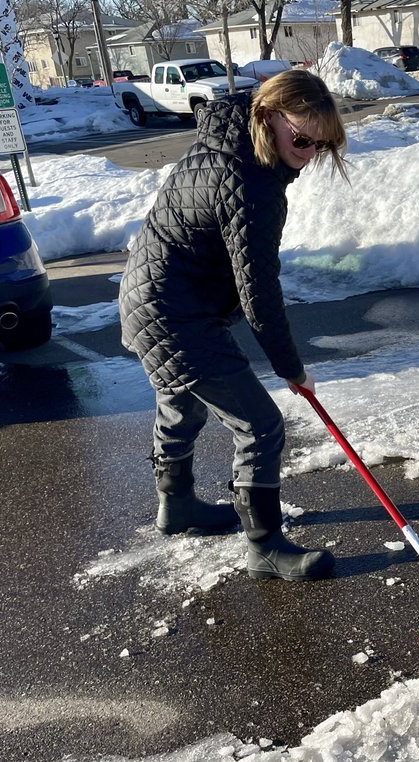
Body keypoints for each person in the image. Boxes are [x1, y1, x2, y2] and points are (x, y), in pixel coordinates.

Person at [118, 69, 347, 582]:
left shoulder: (226, 146)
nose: (309, 153)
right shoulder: (252, 183)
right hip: (174, 315)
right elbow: (259, 291)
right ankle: (265, 547)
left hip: (147, 298)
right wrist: (292, 368)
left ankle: (176, 507)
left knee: (181, 403)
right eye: (302, 138)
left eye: (320, 144)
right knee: (261, 425)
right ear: (267, 116)